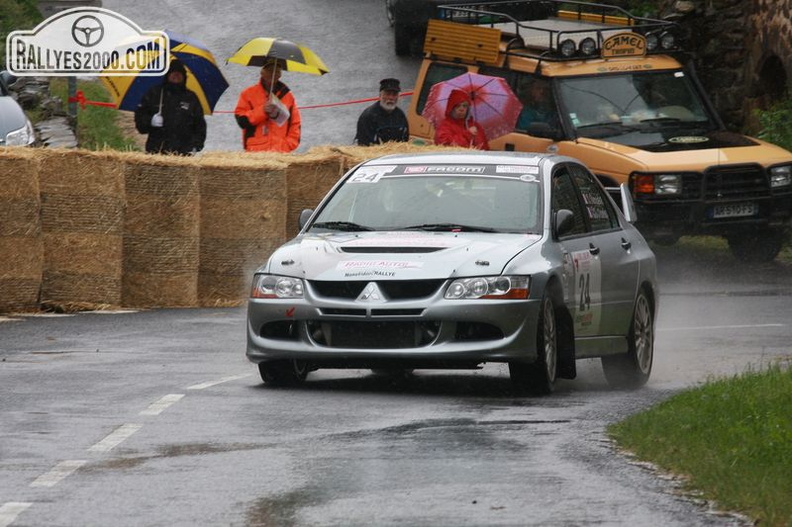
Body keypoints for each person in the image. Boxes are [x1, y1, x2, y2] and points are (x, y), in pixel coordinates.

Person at [134, 59, 206, 155]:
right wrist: (150, 121)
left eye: (179, 73)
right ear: (167, 75)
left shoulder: (191, 98)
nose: (176, 75)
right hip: (156, 152)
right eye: (173, 73)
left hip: (183, 153)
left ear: (184, 76)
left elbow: (200, 125)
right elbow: (140, 123)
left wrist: (195, 146)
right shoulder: (154, 94)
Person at [234, 58, 301, 152]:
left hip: (280, 153)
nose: (273, 74)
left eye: (277, 71)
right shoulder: (247, 94)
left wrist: (285, 146)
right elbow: (241, 121)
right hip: (254, 153)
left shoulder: (288, 96)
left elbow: (295, 125)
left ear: (280, 75)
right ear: (262, 73)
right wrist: (262, 111)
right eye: (269, 70)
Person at [355, 78, 409, 146]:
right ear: (380, 96)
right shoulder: (368, 116)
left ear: (398, 97)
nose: (391, 98)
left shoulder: (401, 115)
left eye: (394, 94)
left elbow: (405, 141)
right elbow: (363, 144)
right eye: (387, 94)